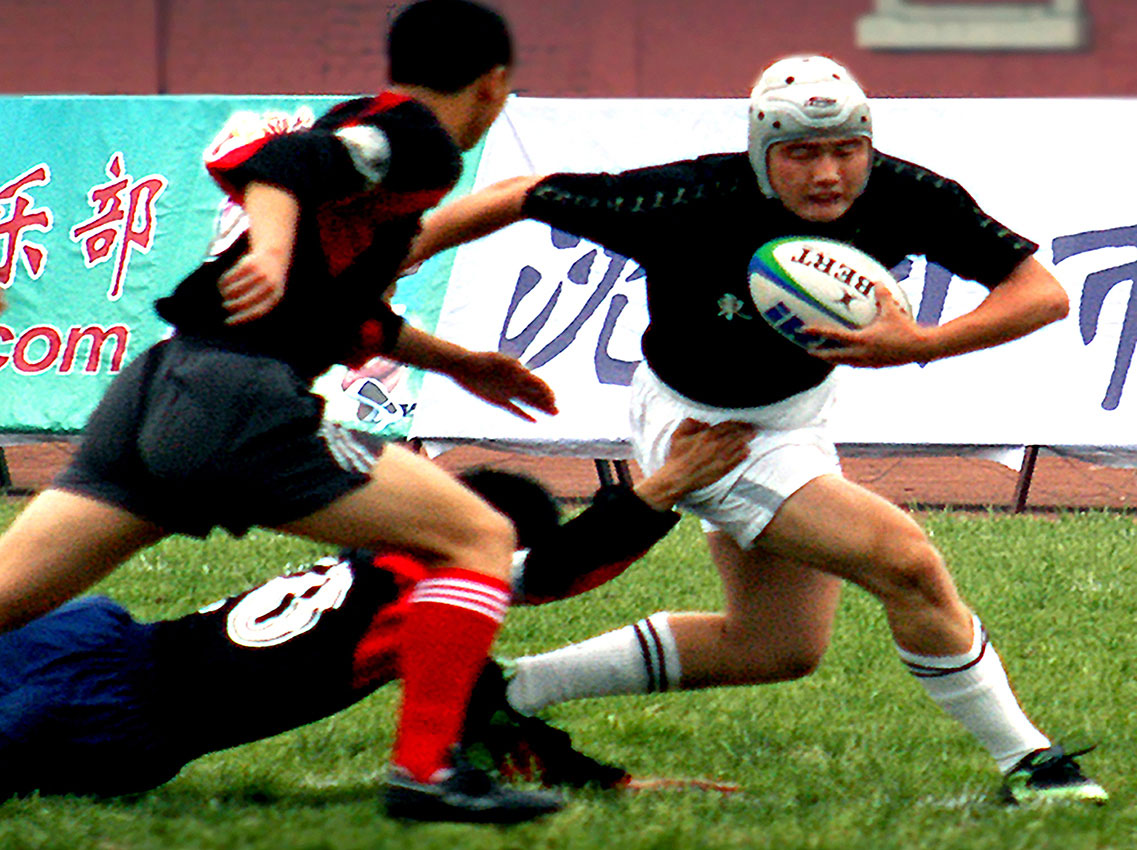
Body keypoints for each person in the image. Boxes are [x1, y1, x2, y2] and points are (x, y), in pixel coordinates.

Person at [397, 55, 1106, 806]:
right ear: (762, 152)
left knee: (775, 646)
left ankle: (505, 689)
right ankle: (1032, 764)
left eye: (846, 149)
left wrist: (922, 343)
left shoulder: (903, 192)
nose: (827, 173)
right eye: (800, 153)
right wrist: (395, 257)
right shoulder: (689, 199)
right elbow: (519, 193)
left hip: (798, 414)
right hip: (701, 428)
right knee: (906, 562)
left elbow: (1041, 292)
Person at [0, 0, 562, 824]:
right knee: (478, 535)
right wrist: (267, 245)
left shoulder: (367, 136)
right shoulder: (421, 141)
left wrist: (460, 363)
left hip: (157, 388)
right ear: (493, 83)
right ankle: (427, 771)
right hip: (235, 400)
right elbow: (280, 160)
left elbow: (340, 312)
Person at [0, 419, 754, 800]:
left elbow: (533, 595)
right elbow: (548, 583)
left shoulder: (375, 555)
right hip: (111, 719)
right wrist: (656, 493)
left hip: (95, 643)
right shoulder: (430, 600)